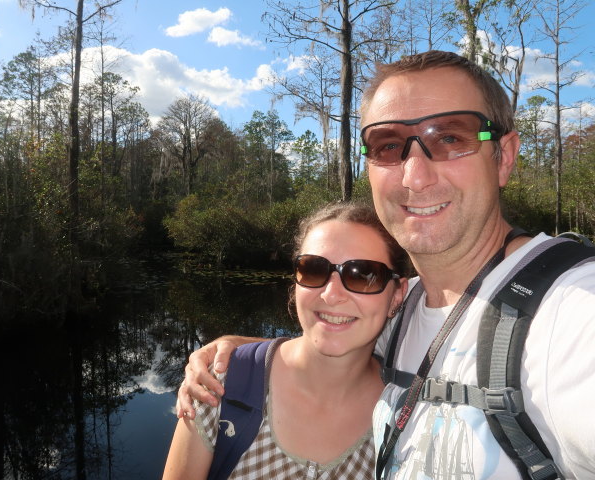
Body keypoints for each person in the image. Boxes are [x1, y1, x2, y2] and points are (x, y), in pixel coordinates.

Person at [178, 50, 595, 479]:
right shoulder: (399, 306)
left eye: (451, 138)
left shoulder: (571, 314)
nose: (416, 176)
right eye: (389, 146)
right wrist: (235, 351)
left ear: (503, 156)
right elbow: (332, 340)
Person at [163, 202, 409, 480]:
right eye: (314, 269)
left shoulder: (408, 416)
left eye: (363, 275)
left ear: (398, 294)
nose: (331, 294)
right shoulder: (220, 385)